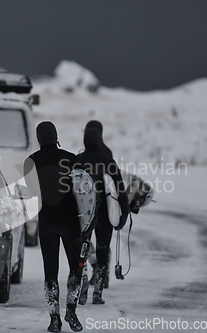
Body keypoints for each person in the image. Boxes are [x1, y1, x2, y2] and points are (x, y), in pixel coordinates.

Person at [24, 121, 84, 332]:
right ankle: (71, 310)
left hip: (46, 223)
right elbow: (85, 194)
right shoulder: (72, 159)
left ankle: (54, 319)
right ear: (55, 136)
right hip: (71, 223)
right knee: (76, 267)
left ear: (39, 138)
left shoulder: (30, 162)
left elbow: (30, 194)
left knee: (51, 272)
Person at [77, 127, 129, 304]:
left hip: (85, 214)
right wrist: (123, 217)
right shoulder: (109, 162)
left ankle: (81, 281)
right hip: (106, 216)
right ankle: (97, 293)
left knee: (82, 249)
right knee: (102, 250)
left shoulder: (78, 160)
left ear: (85, 141)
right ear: (100, 141)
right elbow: (121, 193)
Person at [83, 120, 113, 290]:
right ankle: (102, 281)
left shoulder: (79, 157)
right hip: (105, 210)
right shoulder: (108, 154)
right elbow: (115, 186)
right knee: (103, 246)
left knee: (85, 243)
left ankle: (89, 275)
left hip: (86, 209)